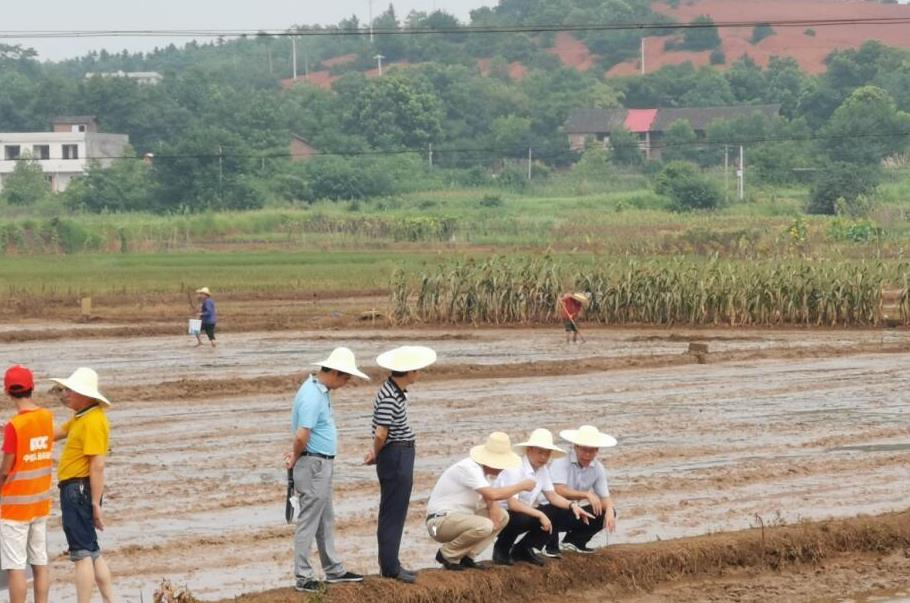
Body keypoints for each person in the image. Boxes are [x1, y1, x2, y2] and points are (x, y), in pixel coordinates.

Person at [288, 347, 369, 593]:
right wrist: (294, 456)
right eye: (346, 378)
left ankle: (333, 569)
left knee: (325, 518)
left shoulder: (320, 391)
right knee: (310, 520)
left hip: (319, 463)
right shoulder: (312, 396)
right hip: (313, 464)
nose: (347, 382)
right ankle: (303, 576)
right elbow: (302, 435)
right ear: (334, 372)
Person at [363, 346, 437, 584]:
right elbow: (382, 432)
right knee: (393, 512)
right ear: (409, 372)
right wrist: (375, 452)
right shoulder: (388, 395)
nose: (420, 373)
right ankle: (390, 567)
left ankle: (392, 563)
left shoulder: (395, 392)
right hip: (396, 455)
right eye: (417, 370)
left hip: (399, 453)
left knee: (396, 510)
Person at [425, 432, 535, 572]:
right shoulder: (469, 468)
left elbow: (490, 499)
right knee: (485, 525)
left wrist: (495, 513)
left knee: (502, 516)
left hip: (456, 520)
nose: (502, 469)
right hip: (436, 525)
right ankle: (447, 554)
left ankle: (467, 556)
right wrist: (522, 486)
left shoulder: (484, 474)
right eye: (500, 464)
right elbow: (492, 494)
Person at [50, 367, 114, 603]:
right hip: (78, 489)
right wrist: (20, 430)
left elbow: (97, 465)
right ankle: (109, 599)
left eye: (70, 390)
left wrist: (96, 504)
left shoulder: (94, 421)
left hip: (78, 490)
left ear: (84, 395)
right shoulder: (82, 416)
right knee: (92, 550)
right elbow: (55, 432)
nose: (65, 394)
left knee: (81, 554)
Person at [492, 428, 592, 566]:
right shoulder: (515, 468)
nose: (544, 457)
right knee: (522, 516)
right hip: (501, 516)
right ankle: (501, 549)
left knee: (558, 510)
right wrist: (540, 514)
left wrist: (572, 506)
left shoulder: (542, 470)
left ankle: (522, 549)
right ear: (529, 450)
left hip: (523, 512)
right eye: (540, 452)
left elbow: (552, 496)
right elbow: (513, 504)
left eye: (547, 453)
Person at [1, 365, 53, 603]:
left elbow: (6, 468)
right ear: (33, 387)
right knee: (40, 562)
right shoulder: (46, 417)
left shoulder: (14, 426)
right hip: (40, 502)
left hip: (14, 509)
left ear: (7, 391)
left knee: (15, 568)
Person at [546, 425, 617, 555]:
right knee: (554, 508)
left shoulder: (598, 468)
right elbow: (558, 490)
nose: (587, 455)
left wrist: (610, 510)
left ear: (597, 450)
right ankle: (550, 546)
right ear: (575, 446)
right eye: (584, 449)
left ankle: (574, 541)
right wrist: (586, 494)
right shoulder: (561, 460)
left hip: (574, 512)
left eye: (592, 451)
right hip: (550, 511)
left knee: (606, 510)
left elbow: (605, 497)